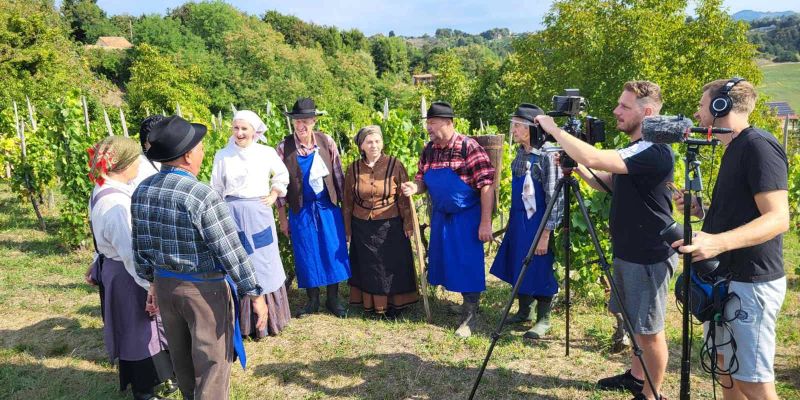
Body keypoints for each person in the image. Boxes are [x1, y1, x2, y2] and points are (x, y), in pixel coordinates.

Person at [534, 81, 675, 400]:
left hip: (649, 254)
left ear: (648, 112)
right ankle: (637, 377)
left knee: (650, 331)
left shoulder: (653, 149)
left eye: (624, 106)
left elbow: (598, 158)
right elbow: (610, 183)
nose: (616, 111)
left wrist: (555, 130)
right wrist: (579, 170)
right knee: (634, 321)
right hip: (630, 250)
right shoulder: (637, 148)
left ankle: (652, 395)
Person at [132, 115, 268, 400]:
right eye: (200, 146)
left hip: (166, 287)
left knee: (183, 364)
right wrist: (255, 294)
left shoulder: (142, 191)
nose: (203, 151)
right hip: (203, 292)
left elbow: (140, 247)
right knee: (212, 367)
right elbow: (229, 250)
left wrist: (153, 285)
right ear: (187, 155)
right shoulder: (200, 195)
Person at [672, 78, 789, 400]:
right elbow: (744, 211)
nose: (697, 111)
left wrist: (717, 243)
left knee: (753, 380)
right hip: (726, 280)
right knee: (726, 367)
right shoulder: (734, 148)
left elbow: (778, 218)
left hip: (751, 283)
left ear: (720, 106)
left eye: (702, 103)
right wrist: (702, 209)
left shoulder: (758, 146)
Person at [85, 136, 174, 400]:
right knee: (138, 333)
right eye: (137, 159)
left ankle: (150, 384)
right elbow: (129, 252)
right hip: (127, 276)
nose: (140, 164)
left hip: (116, 270)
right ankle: (144, 391)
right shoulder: (117, 206)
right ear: (125, 165)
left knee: (135, 330)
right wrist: (150, 286)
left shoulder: (104, 189)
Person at [401, 101, 496, 338]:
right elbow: (422, 180)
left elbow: (486, 187)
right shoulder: (429, 150)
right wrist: (415, 186)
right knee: (446, 260)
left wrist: (485, 222)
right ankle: (465, 304)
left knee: (468, 263)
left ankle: (471, 314)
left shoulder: (468, 147)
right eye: (428, 124)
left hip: (467, 216)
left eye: (432, 123)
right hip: (442, 215)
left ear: (448, 123)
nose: (429, 128)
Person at [211, 110, 292, 337]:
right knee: (238, 261)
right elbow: (216, 187)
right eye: (236, 128)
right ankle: (244, 324)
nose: (239, 133)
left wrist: (275, 194)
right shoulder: (223, 155)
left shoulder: (265, 153)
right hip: (232, 212)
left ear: (254, 131)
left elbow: (282, 175)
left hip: (258, 212)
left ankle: (271, 320)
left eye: (244, 128)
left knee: (263, 261)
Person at [490, 104, 564, 339]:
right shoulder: (521, 153)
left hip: (538, 222)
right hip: (519, 219)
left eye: (517, 125)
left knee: (540, 267)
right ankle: (525, 311)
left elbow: (555, 197)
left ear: (532, 128)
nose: (513, 130)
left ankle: (544, 318)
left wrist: (546, 233)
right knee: (518, 262)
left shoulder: (549, 155)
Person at [276, 97, 351, 318]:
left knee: (331, 250)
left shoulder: (326, 142)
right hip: (301, 209)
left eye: (306, 120)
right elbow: (280, 187)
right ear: (292, 122)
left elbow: (338, 176)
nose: (301, 126)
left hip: (327, 207)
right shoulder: (283, 148)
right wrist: (283, 218)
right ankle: (312, 300)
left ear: (314, 121)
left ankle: (333, 298)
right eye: (297, 121)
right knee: (306, 252)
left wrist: (345, 210)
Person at [342, 125, 418, 319]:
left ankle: (395, 305)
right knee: (369, 267)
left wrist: (408, 223)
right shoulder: (354, 169)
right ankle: (373, 306)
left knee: (391, 265)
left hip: (390, 224)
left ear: (382, 143)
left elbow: (403, 197)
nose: (374, 145)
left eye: (377, 141)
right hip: (362, 226)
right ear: (361, 146)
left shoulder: (395, 164)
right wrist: (347, 229)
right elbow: (348, 201)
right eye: (369, 142)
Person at [133, 115, 164, 187]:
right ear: (144, 144)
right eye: (153, 141)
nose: (160, 144)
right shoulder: (140, 168)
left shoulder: (177, 158)